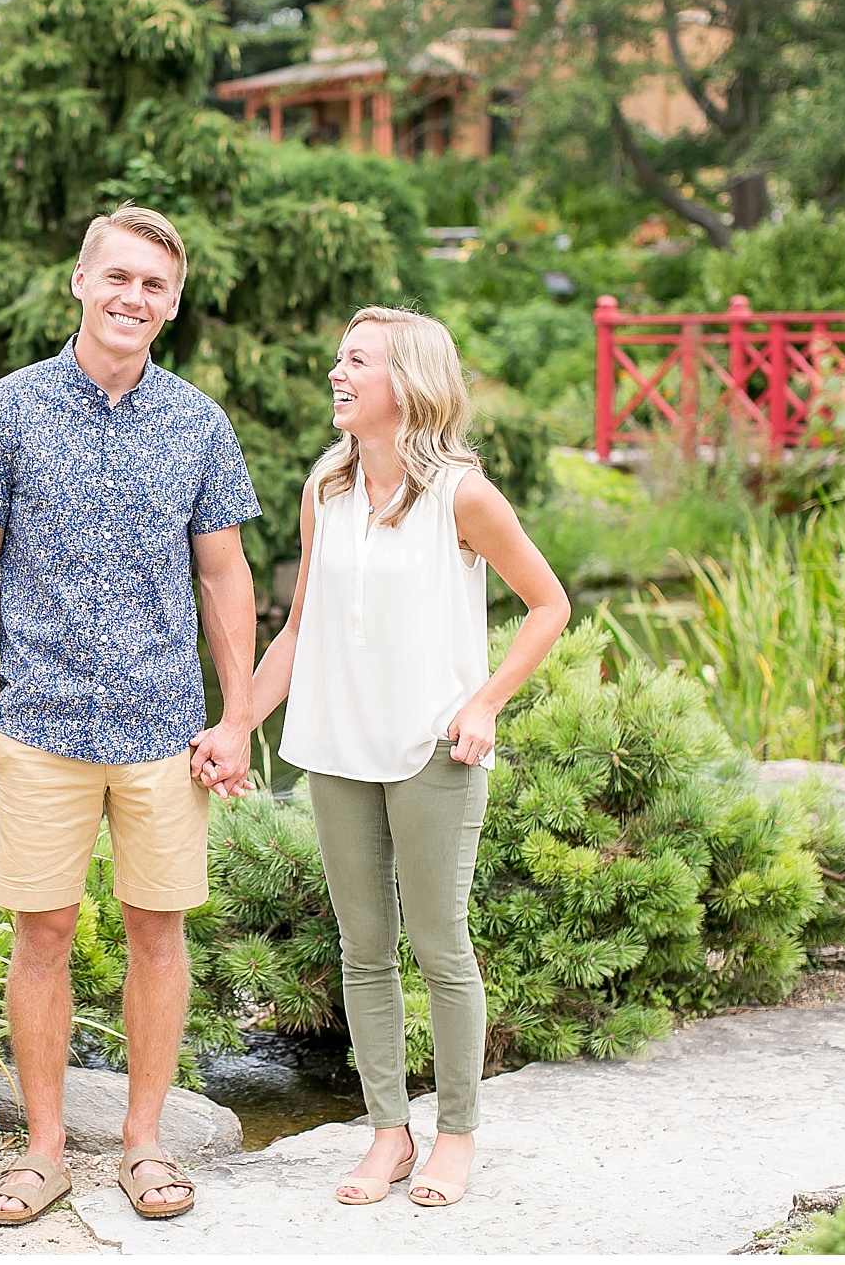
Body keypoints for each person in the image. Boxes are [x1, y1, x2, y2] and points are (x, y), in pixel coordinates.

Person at [191, 306, 570, 1209]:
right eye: (340, 357)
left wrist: (484, 702)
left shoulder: (463, 495)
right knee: (363, 952)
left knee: (441, 948)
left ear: (407, 381)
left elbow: (548, 604)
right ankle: (388, 1131)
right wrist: (239, 721)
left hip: (431, 748)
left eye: (356, 360)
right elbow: (302, 625)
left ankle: (458, 1136)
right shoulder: (327, 484)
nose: (337, 371)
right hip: (337, 747)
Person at [0, 203, 261, 1226]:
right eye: (118, 277)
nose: (134, 298)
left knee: (154, 931)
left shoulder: (197, 423)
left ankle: (142, 1142)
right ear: (79, 283)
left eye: (154, 286)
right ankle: (41, 1150)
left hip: (162, 725)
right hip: (39, 722)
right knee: (40, 932)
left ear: (172, 305)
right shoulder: (4, 408)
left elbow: (224, 575)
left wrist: (238, 715)